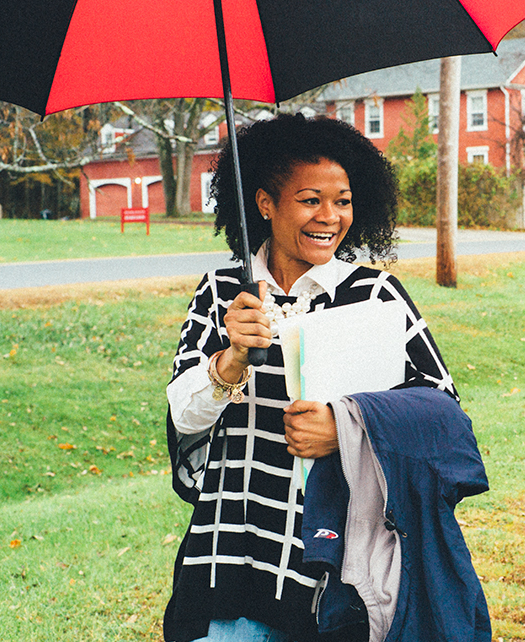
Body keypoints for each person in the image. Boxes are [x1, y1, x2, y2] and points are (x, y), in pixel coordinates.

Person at [163, 114, 463, 642]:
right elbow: (184, 414)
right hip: (233, 551)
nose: (330, 216)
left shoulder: (375, 295)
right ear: (264, 203)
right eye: (309, 199)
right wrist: (230, 358)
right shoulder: (222, 290)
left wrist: (346, 427)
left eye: (343, 201)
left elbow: (443, 409)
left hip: (339, 557)